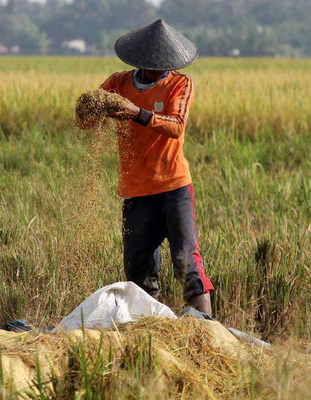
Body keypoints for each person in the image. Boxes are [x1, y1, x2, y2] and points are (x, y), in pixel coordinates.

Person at [76, 19, 213, 316]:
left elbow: (176, 127)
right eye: (152, 63)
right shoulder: (117, 83)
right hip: (135, 190)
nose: (157, 68)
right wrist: (85, 108)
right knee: (138, 270)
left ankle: (207, 328)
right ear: (139, 60)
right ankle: (147, 328)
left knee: (187, 262)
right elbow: (87, 122)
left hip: (173, 186)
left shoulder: (180, 84)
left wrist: (137, 113)